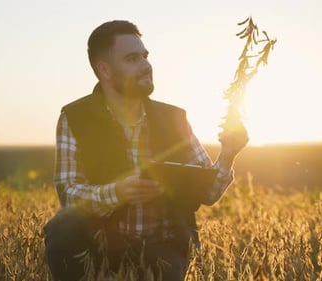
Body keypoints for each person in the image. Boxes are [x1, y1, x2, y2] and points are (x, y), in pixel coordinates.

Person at [44, 20, 248, 281]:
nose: (146, 65)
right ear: (104, 70)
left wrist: (229, 153)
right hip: (99, 245)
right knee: (63, 227)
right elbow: (69, 194)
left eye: (145, 56)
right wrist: (118, 192)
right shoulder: (75, 117)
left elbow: (207, 192)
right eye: (132, 59)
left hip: (162, 246)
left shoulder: (174, 117)